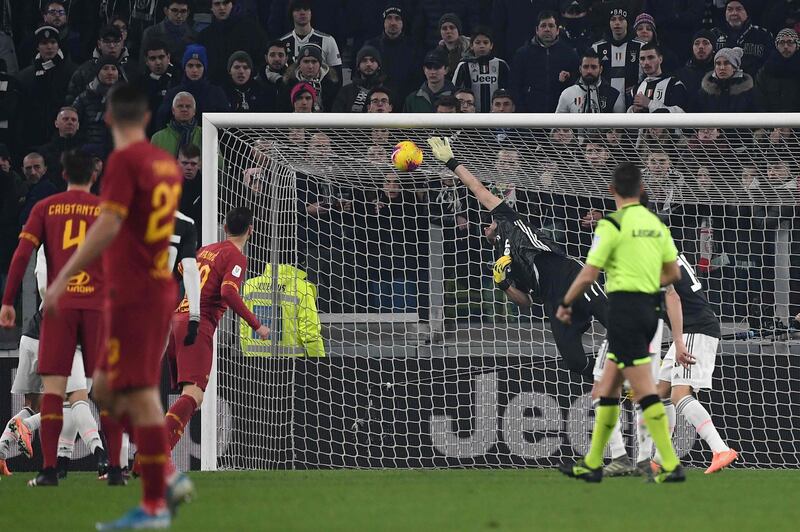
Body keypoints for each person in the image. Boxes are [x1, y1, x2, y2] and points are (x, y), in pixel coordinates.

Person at [43, 84, 193, 528]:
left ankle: (156, 499)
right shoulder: (166, 164)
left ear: (108, 118)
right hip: (149, 288)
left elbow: (109, 224)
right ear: (148, 119)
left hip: (134, 292)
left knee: (137, 392)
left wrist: (65, 274)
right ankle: (162, 478)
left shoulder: (125, 162)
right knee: (107, 389)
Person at [426, 137, 607, 380]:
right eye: (483, 228)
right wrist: (503, 284)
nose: (485, 228)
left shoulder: (509, 219)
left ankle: (649, 367)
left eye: (487, 223)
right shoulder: (502, 261)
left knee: (614, 321)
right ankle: (611, 381)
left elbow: (477, 189)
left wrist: (451, 161)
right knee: (574, 361)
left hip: (572, 277)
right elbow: (525, 302)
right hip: (555, 302)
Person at [556, 162, 685, 483]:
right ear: (642, 190)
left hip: (625, 311)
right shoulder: (657, 224)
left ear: (612, 191)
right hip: (649, 313)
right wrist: (645, 281)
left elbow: (589, 273)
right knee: (606, 388)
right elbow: (673, 274)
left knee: (643, 390)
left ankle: (669, 463)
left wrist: (565, 302)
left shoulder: (610, 225)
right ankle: (592, 463)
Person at [0, 149, 105, 487]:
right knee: (83, 395)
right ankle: (106, 458)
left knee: (52, 395)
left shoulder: (45, 209)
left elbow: (22, 256)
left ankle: (49, 468)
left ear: (61, 174)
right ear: (94, 174)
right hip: (90, 310)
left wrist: (8, 300)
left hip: (51, 315)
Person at [164, 207, 268, 456]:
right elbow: (228, 292)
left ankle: (158, 454)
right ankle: (153, 451)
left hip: (177, 321)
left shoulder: (205, 249)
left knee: (191, 398)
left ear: (224, 228)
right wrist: (257, 324)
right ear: (251, 230)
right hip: (198, 325)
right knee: (193, 395)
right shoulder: (236, 256)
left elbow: (179, 273)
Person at [0, 243, 109, 480]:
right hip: (58, 336)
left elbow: (42, 285)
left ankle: (3, 450)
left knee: (35, 404)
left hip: (32, 335)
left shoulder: (51, 245)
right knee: (74, 399)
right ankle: (99, 455)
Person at [654, 253, 738, 474]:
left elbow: (673, 298)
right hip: (690, 329)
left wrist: (679, 341)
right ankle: (661, 456)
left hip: (695, 330)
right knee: (661, 392)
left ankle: (720, 449)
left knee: (679, 394)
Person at [240, 262, 324, 357]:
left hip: (255, 362)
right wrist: (320, 363)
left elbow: (244, 327)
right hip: (292, 364)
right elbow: (310, 334)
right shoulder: (302, 288)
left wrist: (247, 355)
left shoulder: (250, 285)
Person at [16, 25, 77, 155]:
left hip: (63, 140)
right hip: (33, 138)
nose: (49, 47)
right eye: (44, 43)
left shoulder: (73, 72)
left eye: (53, 42)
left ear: (58, 45)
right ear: (37, 47)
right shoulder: (24, 77)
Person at [510, 10, 579, 113]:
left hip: (560, 115)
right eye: (543, 26)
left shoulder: (569, 54)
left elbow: (577, 84)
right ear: (537, 30)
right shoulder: (522, 54)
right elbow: (514, 86)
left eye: (551, 26)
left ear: (557, 30)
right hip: (530, 116)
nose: (547, 29)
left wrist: (568, 79)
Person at [156, 44, 229, 129]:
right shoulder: (173, 94)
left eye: (198, 66)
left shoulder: (216, 93)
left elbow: (225, 124)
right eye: (190, 65)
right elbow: (161, 122)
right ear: (184, 67)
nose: (194, 70)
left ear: (204, 68)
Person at [198, 0, 268, 84]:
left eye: (225, 3)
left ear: (232, 4)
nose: (222, 7)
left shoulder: (251, 30)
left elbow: (263, 57)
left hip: (247, 87)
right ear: (211, 7)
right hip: (217, 87)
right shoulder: (204, 36)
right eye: (217, 4)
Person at [67, 25, 137, 104]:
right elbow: (72, 101)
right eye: (107, 41)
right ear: (99, 44)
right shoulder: (85, 70)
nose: (112, 46)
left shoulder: (133, 70)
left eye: (116, 41)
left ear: (122, 44)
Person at [364, 5, 420, 105]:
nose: (393, 22)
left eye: (397, 18)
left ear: (403, 23)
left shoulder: (414, 47)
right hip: (377, 101)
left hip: (405, 101)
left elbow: (416, 79)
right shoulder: (371, 46)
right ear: (384, 22)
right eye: (389, 18)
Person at [279, 0, 342, 84]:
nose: (302, 13)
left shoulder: (328, 40)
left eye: (306, 9)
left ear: (311, 13)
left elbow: (337, 77)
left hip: (321, 94)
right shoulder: (282, 42)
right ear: (291, 14)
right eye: (297, 10)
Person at [452, 26, 510, 113]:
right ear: (471, 45)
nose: (482, 46)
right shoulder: (464, 65)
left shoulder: (501, 65)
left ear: (491, 45)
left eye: (485, 42)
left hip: (497, 116)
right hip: (470, 117)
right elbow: (455, 91)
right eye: (478, 42)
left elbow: (509, 91)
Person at [71, 55, 121, 156]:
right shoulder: (83, 99)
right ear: (97, 72)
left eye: (114, 69)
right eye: (105, 68)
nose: (110, 72)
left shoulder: (126, 98)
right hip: (90, 154)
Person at [592, 6, 644, 97]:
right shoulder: (597, 47)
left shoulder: (640, 46)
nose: (617, 23)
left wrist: (638, 88)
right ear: (609, 22)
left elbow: (649, 74)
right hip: (604, 100)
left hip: (633, 100)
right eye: (613, 19)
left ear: (627, 22)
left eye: (621, 19)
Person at [711, 0, 773, 76]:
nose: (734, 13)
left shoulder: (763, 35)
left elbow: (768, 64)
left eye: (738, 9)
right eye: (730, 9)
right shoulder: (713, 34)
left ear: (747, 12)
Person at [692, 47, 760, 113]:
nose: (722, 68)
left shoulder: (749, 93)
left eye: (726, 63)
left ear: (734, 67)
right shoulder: (704, 92)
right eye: (718, 64)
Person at [556, 48, 625, 113]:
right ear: (580, 69)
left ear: (600, 69)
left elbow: (621, 124)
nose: (589, 71)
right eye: (585, 67)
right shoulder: (567, 94)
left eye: (593, 67)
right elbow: (558, 123)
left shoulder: (614, 95)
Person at [135, 39, 180, 136]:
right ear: (146, 61)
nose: (158, 62)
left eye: (161, 57)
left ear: (168, 57)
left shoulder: (179, 80)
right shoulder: (139, 84)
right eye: (153, 58)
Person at [628, 42, 688, 113]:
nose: (646, 62)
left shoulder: (674, 84)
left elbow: (681, 113)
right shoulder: (636, 89)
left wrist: (650, 104)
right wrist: (633, 110)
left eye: (650, 57)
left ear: (660, 59)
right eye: (642, 59)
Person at [280, 43, 339, 112]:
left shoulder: (331, 83)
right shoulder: (288, 83)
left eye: (314, 62)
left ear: (320, 64)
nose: (310, 66)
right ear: (299, 64)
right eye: (306, 61)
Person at [333, 45, 391, 113]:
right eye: (364, 60)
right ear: (358, 66)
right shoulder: (346, 91)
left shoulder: (388, 90)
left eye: (372, 60)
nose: (368, 64)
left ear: (379, 66)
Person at [140, 0, 197, 65]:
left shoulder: (194, 36)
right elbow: (143, 63)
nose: (179, 15)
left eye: (183, 11)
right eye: (174, 10)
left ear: (188, 13)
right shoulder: (151, 33)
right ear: (166, 11)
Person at [756, 29, 800, 113]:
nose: (786, 46)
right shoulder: (765, 71)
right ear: (777, 45)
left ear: (796, 45)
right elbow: (760, 101)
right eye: (782, 42)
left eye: (790, 42)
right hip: (771, 122)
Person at [37, 107, 82, 189]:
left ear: (78, 125)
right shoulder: (44, 152)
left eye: (73, 120)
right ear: (56, 123)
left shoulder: (85, 151)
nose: (70, 122)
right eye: (65, 119)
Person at [151, 92, 201, 156]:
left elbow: (217, 163)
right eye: (180, 106)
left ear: (194, 111)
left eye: (188, 106)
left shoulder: (205, 135)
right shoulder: (157, 138)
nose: (184, 109)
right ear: (173, 110)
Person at [17, 153, 57, 225]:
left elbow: (24, 219)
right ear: (23, 170)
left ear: (45, 169)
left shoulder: (48, 189)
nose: (33, 172)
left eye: (37, 167)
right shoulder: (23, 188)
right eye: (28, 168)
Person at [675, 29, 716, 97]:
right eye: (697, 43)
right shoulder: (681, 74)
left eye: (705, 43)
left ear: (713, 48)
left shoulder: (720, 73)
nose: (701, 47)